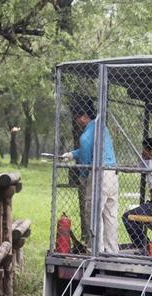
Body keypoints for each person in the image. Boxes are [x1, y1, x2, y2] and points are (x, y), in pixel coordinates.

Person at [60, 99, 119, 253]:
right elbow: (90, 149)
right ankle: (112, 250)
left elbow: (86, 159)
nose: (76, 121)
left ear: (84, 116)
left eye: (77, 118)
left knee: (93, 212)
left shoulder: (85, 135)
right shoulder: (101, 128)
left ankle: (95, 250)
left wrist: (84, 176)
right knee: (110, 215)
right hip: (112, 173)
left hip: (99, 175)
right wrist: (72, 154)